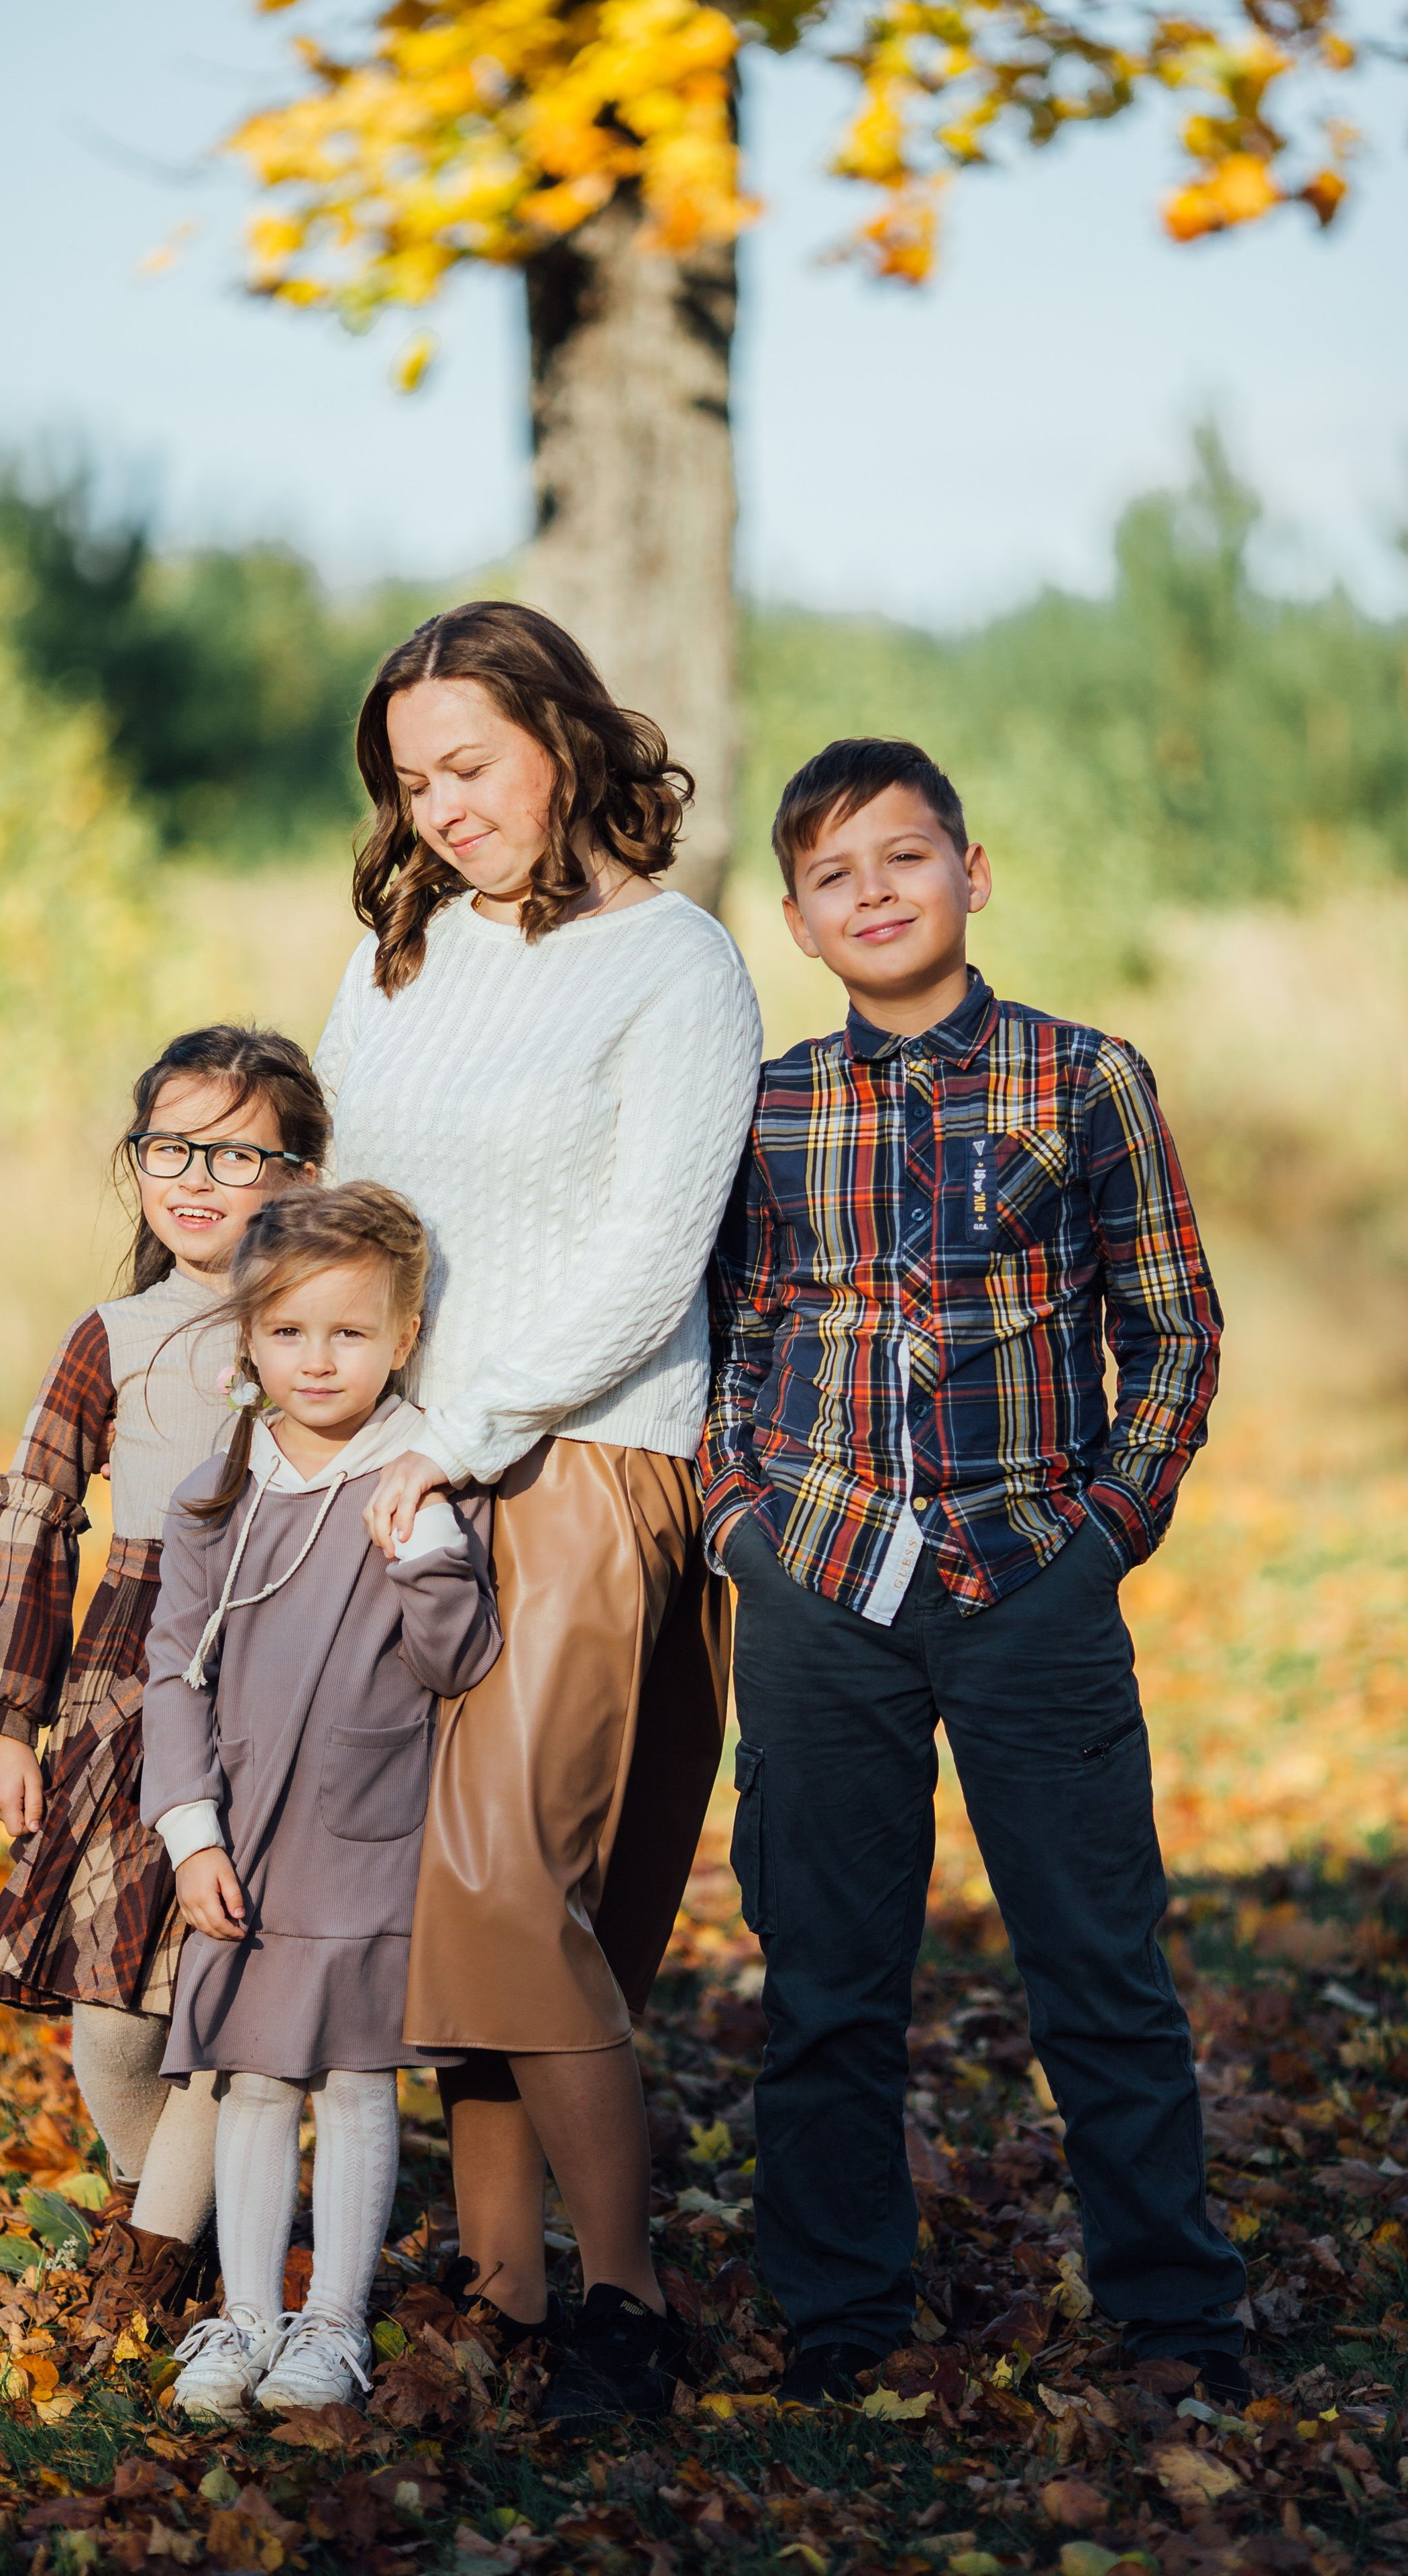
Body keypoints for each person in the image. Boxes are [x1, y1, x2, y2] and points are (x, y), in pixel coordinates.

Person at [700, 736, 1249, 2404]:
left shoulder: (1085, 1081)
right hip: (817, 1584)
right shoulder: (767, 1105)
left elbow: (1170, 1328)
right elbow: (729, 1331)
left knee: (1098, 1967)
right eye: (831, 875)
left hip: (1028, 1582)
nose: (871, 893)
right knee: (825, 1980)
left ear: (971, 874)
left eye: (902, 859)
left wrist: (1100, 1536)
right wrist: (738, 1520)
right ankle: (842, 2319)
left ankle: (1172, 2317)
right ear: (795, 921)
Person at [313, 600, 762, 2428]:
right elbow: (346, 1206)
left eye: (471, 766)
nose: (444, 811)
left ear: (566, 741)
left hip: (586, 1456)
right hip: (405, 1466)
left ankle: (629, 2306)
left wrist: (474, 1427)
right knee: (443, 1902)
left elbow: (655, 1262)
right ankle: (501, 2283)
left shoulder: (679, 964)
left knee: (518, 1888)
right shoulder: (398, 959)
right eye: (414, 782)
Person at [0, 1024, 327, 2325]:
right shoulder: (112, 1334)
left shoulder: (323, 1325)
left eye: (237, 1151)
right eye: (171, 1146)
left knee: (230, 1989)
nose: (196, 1176)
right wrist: (7, 1719)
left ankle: (192, 2259)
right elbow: (35, 1514)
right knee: (116, 2020)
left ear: (298, 1171)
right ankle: (155, 2216)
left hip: (284, 1677)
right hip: (129, 1684)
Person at [140, 1183, 501, 2422]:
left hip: (362, 1837)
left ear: (402, 1338)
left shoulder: (415, 1490)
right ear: (249, 1338)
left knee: (352, 2080)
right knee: (250, 2079)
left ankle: (333, 2325)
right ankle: (245, 2318)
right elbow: (170, 1672)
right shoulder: (217, 1499)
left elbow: (455, 1662)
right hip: (240, 1843)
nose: (318, 1360)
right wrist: (190, 1831)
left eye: (350, 1333)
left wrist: (435, 1560)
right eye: (289, 1333)